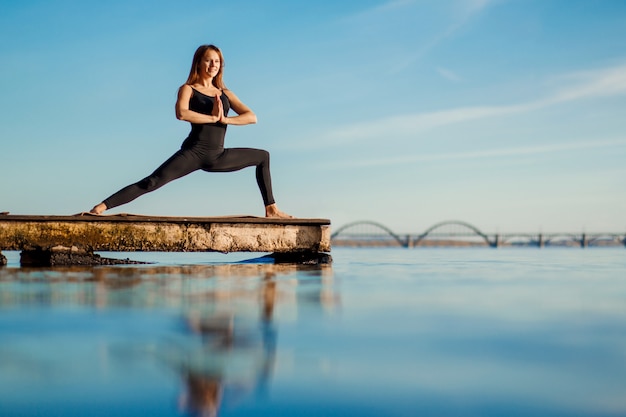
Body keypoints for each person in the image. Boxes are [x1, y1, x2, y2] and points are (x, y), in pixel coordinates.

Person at [89, 44, 292, 218]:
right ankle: (100, 207)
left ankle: (271, 208)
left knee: (263, 156)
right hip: (193, 153)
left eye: (217, 61)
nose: (213, 65)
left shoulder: (225, 93)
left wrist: (224, 119)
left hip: (218, 156)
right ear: (198, 63)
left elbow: (251, 116)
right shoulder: (188, 89)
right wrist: (212, 118)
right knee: (152, 182)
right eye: (208, 61)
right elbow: (182, 113)